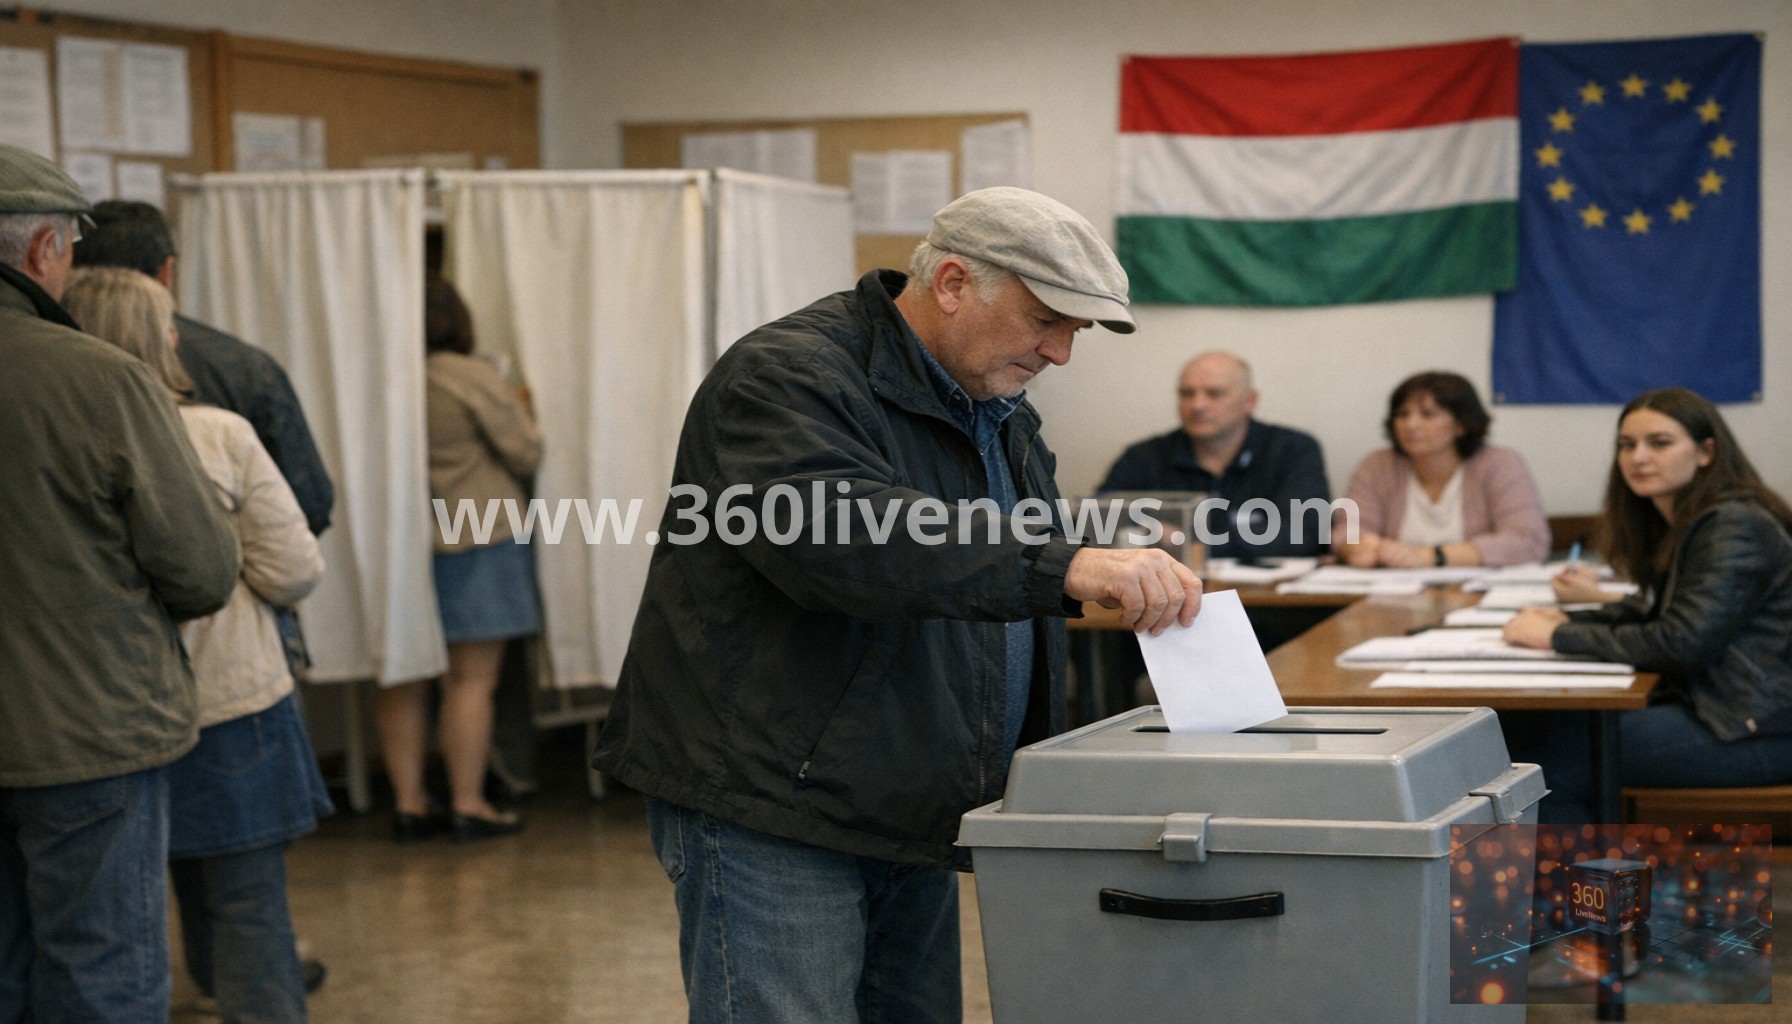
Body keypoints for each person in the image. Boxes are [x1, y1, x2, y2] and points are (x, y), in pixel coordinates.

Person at [591, 186, 1202, 1024]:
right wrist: (1067, 565)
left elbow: (981, 551)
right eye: (1046, 319)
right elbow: (851, 538)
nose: (1060, 352)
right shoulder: (788, 376)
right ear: (953, 283)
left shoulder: (994, 402)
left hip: (908, 796)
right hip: (779, 800)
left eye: (1077, 331)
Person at [72, 198, 338, 999]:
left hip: (92, 707)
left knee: (107, 913)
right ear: (166, 292)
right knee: (248, 897)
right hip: (229, 699)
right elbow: (296, 554)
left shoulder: (39, 423)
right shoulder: (219, 425)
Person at [0, 144, 239, 1021]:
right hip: (89, 729)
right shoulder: (97, 379)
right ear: (43, 253)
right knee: (99, 970)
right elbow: (204, 567)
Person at [1502, 388, 1792, 822]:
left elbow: (1681, 642)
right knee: (1535, 731)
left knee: (1547, 767)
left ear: (1706, 451)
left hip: (1753, 729)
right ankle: (1563, 886)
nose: (1638, 457)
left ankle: (1578, 890)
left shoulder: (1732, 524)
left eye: (1659, 443)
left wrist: (1558, 634)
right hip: (1723, 711)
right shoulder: (1689, 518)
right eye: (1627, 444)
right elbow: (1659, 610)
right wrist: (1569, 617)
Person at [376, 277, 541, 843]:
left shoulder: (381, 375)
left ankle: (407, 803)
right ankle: (469, 803)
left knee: (405, 672)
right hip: (475, 532)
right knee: (470, 679)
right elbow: (525, 449)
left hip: (400, 537)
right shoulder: (469, 376)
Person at [1099, 351, 1331, 559]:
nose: (1198, 405)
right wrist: (1152, 531)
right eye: (1187, 394)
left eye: (1214, 394)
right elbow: (1098, 520)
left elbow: (1306, 533)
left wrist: (1189, 543)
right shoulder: (1144, 456)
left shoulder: (1292, 449)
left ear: (1250, 401)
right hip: (1167, 595)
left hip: (1269, 600)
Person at [1334, 371, 1549, 568]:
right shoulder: (1378, 465)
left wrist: (1430, 556)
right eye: (1403, 414)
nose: (1411, 424)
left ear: (1461, 424)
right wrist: (1357, 546)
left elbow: (1527, 541)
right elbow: (1346, 532)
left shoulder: (1499, 463)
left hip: (1476, 596)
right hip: (1392, 594)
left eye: (1427, 414)